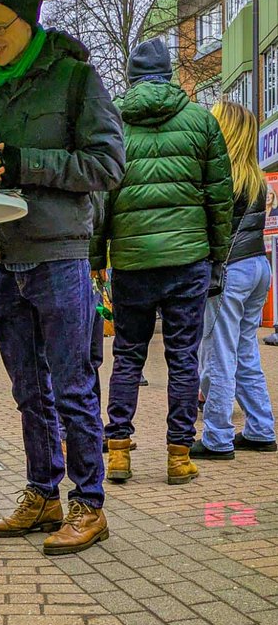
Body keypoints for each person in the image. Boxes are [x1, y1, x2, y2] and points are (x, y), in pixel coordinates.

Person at [0, 0, 125, 555]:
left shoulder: (75, 79)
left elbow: (108, 165)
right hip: (5, 256)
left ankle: (88, 503)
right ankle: (42, 494)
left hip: (60, 255)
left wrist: (28, 165)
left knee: (72, 384)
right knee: (27, 388)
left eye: (0, 27)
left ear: (29, 19)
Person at [92, 38, 232, 486]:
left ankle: (117, 452)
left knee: (128, 355)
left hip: (132, 261)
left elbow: (100, 199)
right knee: (183, 357)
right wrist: (218, 256)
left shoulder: (112, 124)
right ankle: (177, 454)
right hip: (188, 259)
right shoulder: (201, 122)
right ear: (169, 74)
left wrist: (98, 257)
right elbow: (219, 197)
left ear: (132, 77)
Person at [193, 101, 276, 458]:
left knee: (219, 354)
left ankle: (217, 436)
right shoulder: (255, 179)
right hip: (258, 267)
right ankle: (260, 427)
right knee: (245, 351)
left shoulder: (220, 176)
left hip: (230, 271)